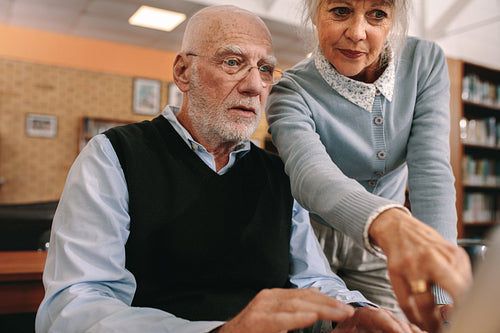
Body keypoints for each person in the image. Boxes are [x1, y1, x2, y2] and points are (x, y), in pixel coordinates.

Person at [35, 5, 422, 333]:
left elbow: (313, 279)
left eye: (266, 69)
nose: (255, 85)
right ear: (183, 72)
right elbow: (73, 306)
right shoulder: (113, 156)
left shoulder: (279, 175)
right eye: (233, 62)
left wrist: (357, 312)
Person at [265, 0, 472, 332]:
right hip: (313, 243)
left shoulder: (424, 62)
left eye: (377, 14)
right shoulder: (290, 90)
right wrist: (387, 222)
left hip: (384, 248)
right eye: (341, 10)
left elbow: (430, 170)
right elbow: (309, 174)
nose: (357, 33)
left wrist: (439, 288)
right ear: (315, 14)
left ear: (393, 22)